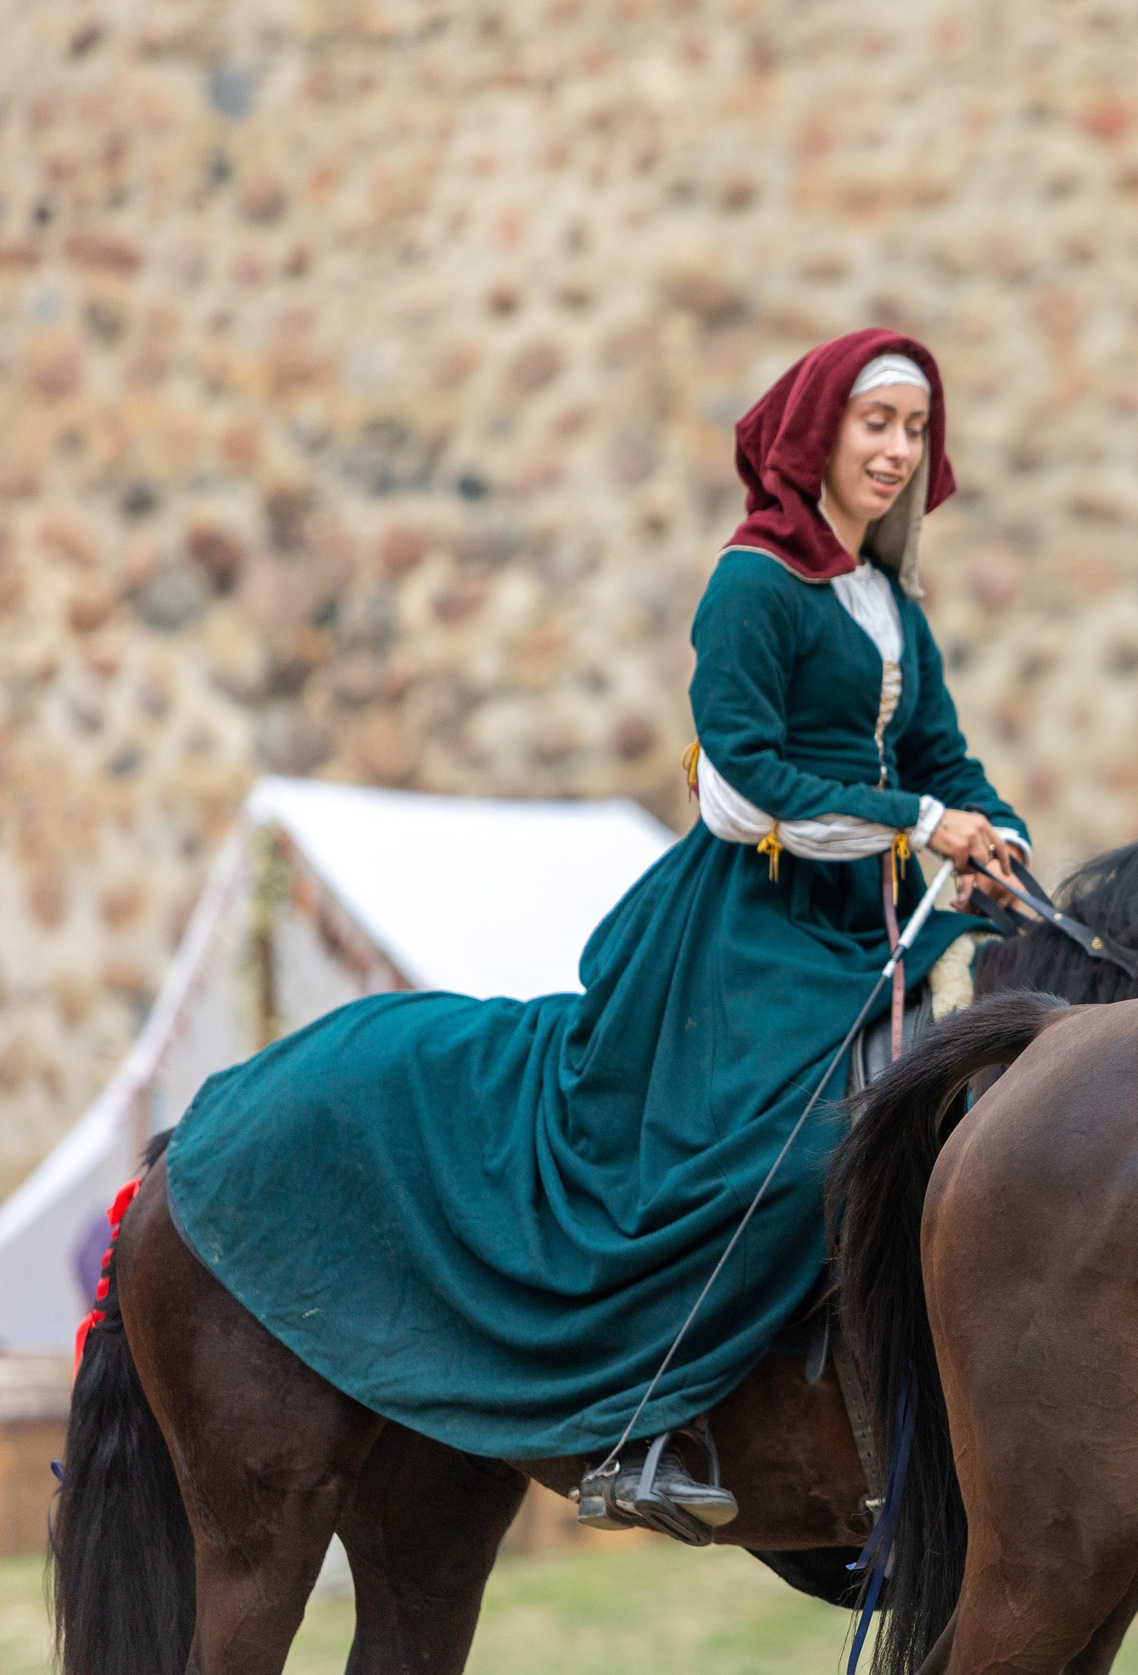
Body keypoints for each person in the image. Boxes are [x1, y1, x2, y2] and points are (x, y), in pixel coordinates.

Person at [164, 330, 1028, 1527]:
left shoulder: (891, 607)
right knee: (780, 1171)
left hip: (873, 941)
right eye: (875, 424)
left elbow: (942, 755)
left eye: (914, 431)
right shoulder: (752, 584)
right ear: (818, 435)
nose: (895, 450)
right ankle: (654, 1424)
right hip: (749, 936)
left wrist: (994, 832)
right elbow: (742, 786)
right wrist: (920, 824)